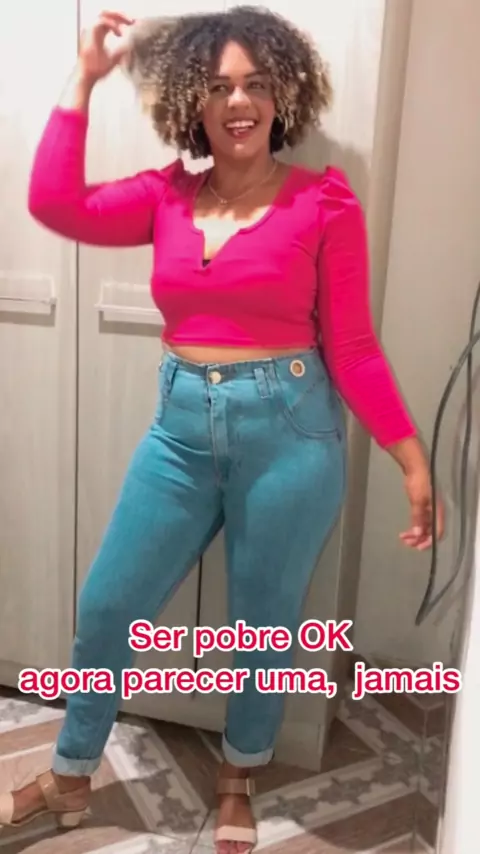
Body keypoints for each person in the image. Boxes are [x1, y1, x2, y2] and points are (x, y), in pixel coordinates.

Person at [0, 6, 444, 853]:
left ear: (283, 97)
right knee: (108, 603)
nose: (239, 102)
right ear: (192, 104)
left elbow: (351, 345)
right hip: (178, 434)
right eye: (219, 87)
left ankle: (239, 773)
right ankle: (70, 773)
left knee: (263, 622)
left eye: (256, 84)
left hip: (290, 435)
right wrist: (85, 78)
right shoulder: (166, 196)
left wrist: (408, 455)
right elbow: (53, 201)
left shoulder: (324, 202)